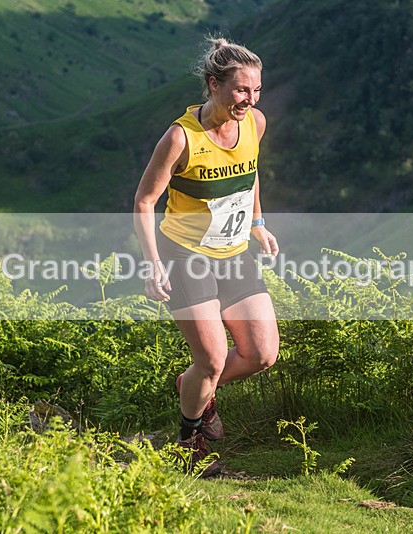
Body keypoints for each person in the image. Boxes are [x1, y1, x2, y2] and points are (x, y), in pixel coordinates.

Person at [133, 37, 280, 476]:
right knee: (213, 359)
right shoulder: (181, 137)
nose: (251, 100)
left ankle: (192, 385)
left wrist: (257, 222)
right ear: (214, 85)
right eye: (241, 90)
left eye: (256, 90)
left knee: (262, 353)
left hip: (233, 252)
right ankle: (188, 442)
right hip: (185, 255)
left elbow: (250, 172)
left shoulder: (254, 123)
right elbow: (144, 201)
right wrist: (152, 263)